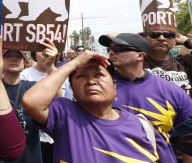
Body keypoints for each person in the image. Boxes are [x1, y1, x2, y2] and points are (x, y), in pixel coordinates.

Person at [22, 47, 177, 162]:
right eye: (81, 76)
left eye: (99, 75)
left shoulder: (143, 127)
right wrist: (74, 63)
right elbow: (32, 101)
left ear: (115, 86)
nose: (90, 81)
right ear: (73, 90)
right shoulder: (64, 114)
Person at [99, 33, 192, 162]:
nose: (112, 52)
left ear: (140, 55)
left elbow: (188, 141)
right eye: (110, 49)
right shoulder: (98, 89)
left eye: (119, 48)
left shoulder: (172, 91)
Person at [19, 39, 71, 163]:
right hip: (34, 137)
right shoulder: (25, 75)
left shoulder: (61, 74)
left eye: (47, 49)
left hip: (57, 137)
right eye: (40, 50)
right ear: (34, 54)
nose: (45, 53)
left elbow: (61, 100)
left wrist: (51, 70)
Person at [0, 49, 42, 163]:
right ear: (0, 60)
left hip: (29, 157)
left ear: (24, 63)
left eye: (18, 57)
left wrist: (50, 67)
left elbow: (57, 98)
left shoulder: (33, 87)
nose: (13, 59)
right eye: (8, 56)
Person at [141, 30, 192, 96]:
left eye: (168, 35)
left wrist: (187, 41)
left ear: (175, 41)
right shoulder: (136, 64)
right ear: (144, 38)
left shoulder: (186, 62)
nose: (161, 38)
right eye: (154, 34)